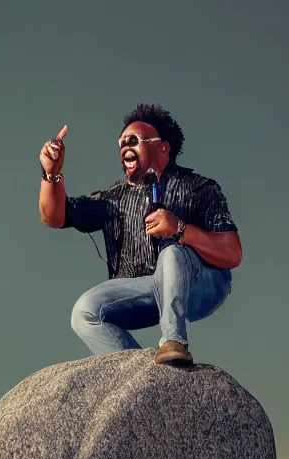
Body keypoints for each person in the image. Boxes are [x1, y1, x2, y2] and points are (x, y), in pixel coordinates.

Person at [38, 103, 242, 367]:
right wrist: (51, 174)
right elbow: (54, 217)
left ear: (163, 147)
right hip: (148, 288)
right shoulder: (113, 198)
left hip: (201, 284)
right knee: (85, 311)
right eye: (121, 143)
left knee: (171, 253)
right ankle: (139, 372)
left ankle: (173, 342)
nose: (124, 147)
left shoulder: (199, 188)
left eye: (133, 140)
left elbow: (232, 253)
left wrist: (180, 229)